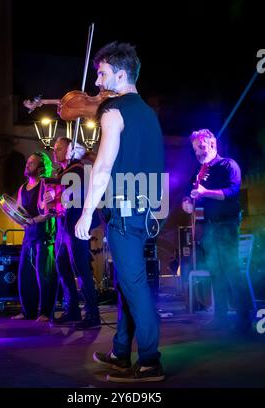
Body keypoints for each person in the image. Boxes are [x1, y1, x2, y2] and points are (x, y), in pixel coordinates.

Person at [75, 42, 165, 382]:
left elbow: (103, 169)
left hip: (125, 212)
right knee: (127, 282)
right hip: (145, 212)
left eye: (102, 73)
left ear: (121, 73)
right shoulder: (147, 113)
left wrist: (85, 214)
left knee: (135, 284)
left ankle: (151, 361)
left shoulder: (112, 113)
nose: (97, 81)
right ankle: (119, 352)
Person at [182, 129, 252, 333]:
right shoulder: (200, 172)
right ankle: (220, 318)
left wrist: (206, 192)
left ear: (212, 144)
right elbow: (189, 195)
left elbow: (232, 192)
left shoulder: (228, 165)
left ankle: (244, 321)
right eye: (195, 150)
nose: (198, 153)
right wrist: (188, 203)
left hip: (227, 225)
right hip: (210, 227)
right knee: (216, 273)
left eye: (201, 147)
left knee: (231, 271)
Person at [47, 137, 101, 329]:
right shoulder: (62, 171)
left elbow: (76, 188)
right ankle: (73, 310)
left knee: (81, 268)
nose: (55, 152)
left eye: (59, 148)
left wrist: (54, 188)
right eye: (54, 149)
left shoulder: (78, 168)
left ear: (69, 150)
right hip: (63, 224)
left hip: (76, 223)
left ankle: (93, 314)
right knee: (62, 266)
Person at [12, 152, 57, 322]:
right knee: (26, 276)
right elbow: (19, 211)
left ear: (40, 168)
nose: (27, 165)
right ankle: (27, 312)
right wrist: (17, 217)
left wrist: (32, 220)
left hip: (44, 236)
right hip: (29, 237)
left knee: (45, 277)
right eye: (28, 162)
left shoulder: (46, 185)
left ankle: (46, 312)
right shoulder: (22, 188)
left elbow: (50, 212)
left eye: (31, 163)